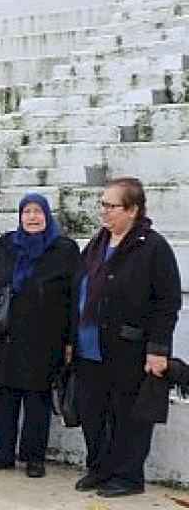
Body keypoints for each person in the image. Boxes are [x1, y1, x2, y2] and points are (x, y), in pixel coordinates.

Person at [70, 177, 181, 498]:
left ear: (132, 210)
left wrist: (158, 349)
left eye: (110, 205)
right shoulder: (98, 242)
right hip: (90, 348)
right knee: (93, 413)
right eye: (102, 204)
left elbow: (167, 302)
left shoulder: (152, 247)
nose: (103, 211)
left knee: (128, 417)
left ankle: (128, 476)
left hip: (128, 349)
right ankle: (99, 468)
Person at [0, 194, 80, 479]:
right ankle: (3, 453)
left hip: (44, 337)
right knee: (2, 397)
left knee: (37, 399)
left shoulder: (64, 249)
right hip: (7, 336)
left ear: (47, 216)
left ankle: (34, 457)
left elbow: (74, 297)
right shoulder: (8, 244)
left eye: (38, 212)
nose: (32, 217)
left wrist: (71, 340)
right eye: (27, 212)